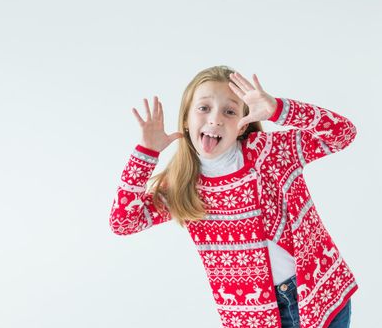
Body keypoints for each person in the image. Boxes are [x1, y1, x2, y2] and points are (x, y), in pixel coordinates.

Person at [109, 65, 358, 328]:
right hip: (254, 317)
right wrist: (146, 152)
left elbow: (343, 134)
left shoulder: (270, 152)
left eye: (229, 111)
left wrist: (278, 109)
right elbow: (123, 222)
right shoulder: (183, 185)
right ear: (185, 119)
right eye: (204, 108)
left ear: (242, 125)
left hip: (319, 292)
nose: (215, 119)